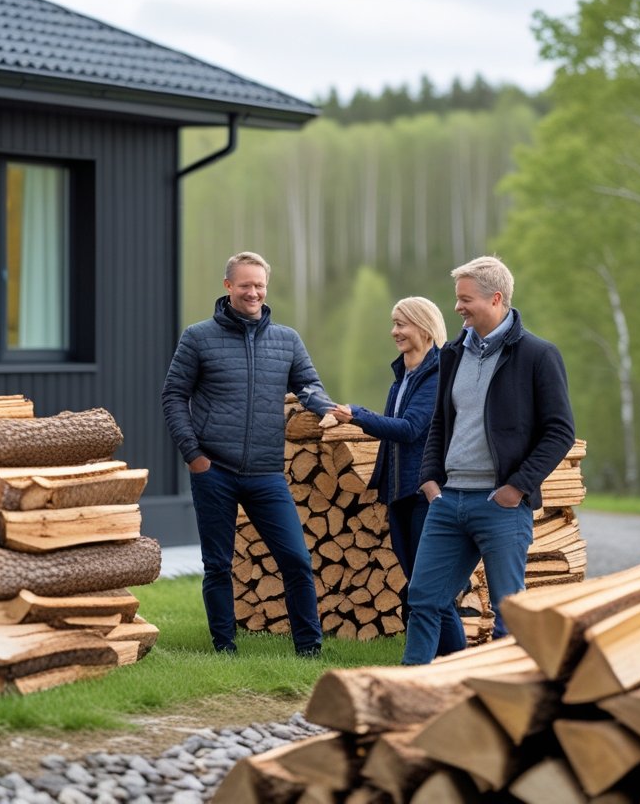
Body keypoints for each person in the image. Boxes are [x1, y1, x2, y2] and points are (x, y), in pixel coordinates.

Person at [402, 256, 575, 665]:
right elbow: (441, 422)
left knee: (508, 612)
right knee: (422, 599)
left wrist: (517, 487)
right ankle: (411, 683)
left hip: (501, 505)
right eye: (457, 298)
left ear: (495, 298)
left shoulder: (538, 355)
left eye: (465, 299)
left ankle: (504, 688)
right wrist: (429, 478)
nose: (457, 307)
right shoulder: (451, 354)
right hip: (448, 501)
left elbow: (560, 431)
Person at [161, 251, 333, 657]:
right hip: (213, 470)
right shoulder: (198, 337)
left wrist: (327, 409)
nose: (253, 292)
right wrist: (194, 456)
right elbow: (173, 396)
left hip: (266, 472)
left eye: (259, 285)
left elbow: (309, 385)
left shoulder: (287, 340)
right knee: (218, 564)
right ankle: (224, 646)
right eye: (245, 285)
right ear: (228, 287)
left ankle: (309, 648)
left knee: (296, 559)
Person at [328, 297, 463, 654]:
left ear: (425, 327)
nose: (394, 331)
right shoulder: (402, 376)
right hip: (399, 494)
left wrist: (356, 415)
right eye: (394, 323)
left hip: (424, 495)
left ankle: (455, 663)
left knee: (429, 589)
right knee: (420, 584)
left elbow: (409, 429)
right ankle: (441, 664)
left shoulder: (437, 375)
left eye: (402, 324)